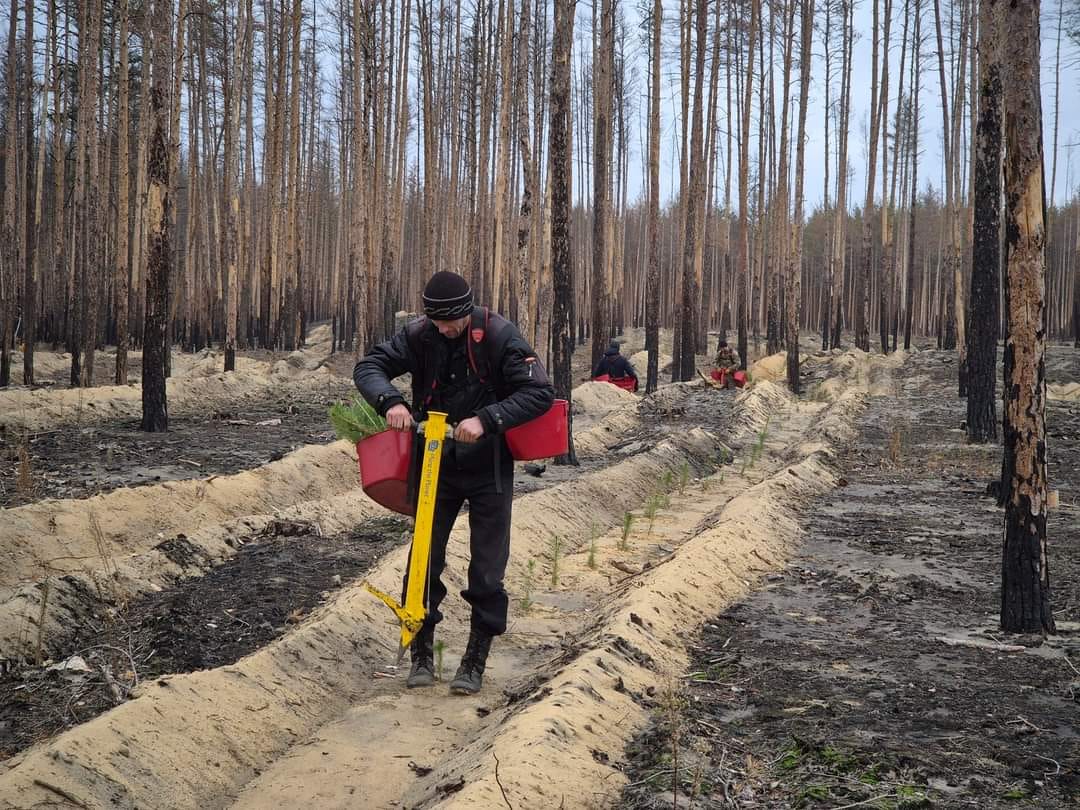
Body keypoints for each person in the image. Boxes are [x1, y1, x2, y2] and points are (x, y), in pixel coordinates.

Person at [353, 271, 554, 695]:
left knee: (486, 568)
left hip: (488, 465)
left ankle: (474, 659)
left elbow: (538, 393)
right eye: (438, 322)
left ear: (467, 312)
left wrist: (487, 419)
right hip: (433, 465)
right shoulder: (419, 335)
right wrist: (390, 402)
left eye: (452, 322)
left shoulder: (498, 335)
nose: (445, 329)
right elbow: (370, 366)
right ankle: (421, 653)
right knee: (423, 560)